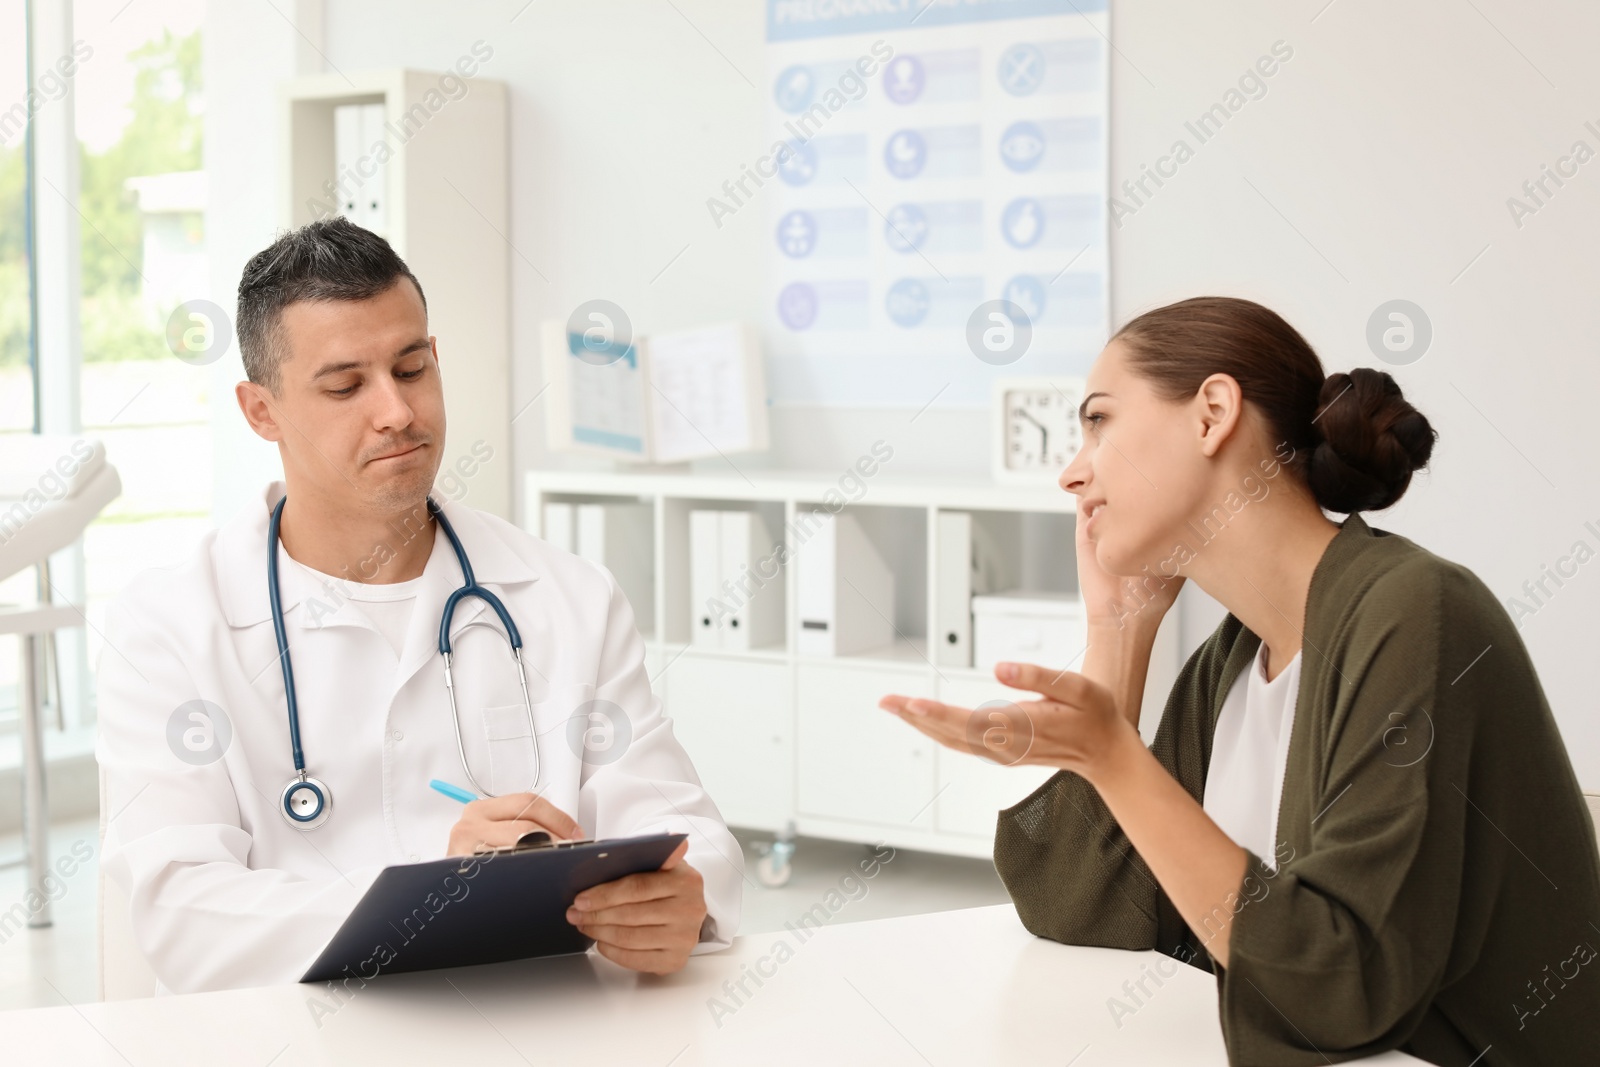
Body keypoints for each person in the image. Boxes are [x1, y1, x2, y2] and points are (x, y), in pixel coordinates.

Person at [881, 297, 1600, 1065]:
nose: (1072, 471)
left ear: (1212, 414)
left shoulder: (1417, 613)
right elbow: (1075, 903)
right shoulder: (1231, 663)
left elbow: (1345, 990)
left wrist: (1114, 758)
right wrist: (1119, 636)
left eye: (1099, 420)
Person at [96, 218, 741, 994]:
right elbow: (184, 912)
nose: (397, 411)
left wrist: (681, 901)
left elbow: (682, 825)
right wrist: (431, 899)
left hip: (538, 1030)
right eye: (344, 386)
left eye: (412, 368)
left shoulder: (569, 597)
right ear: (260, 410)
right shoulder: (166, 626)